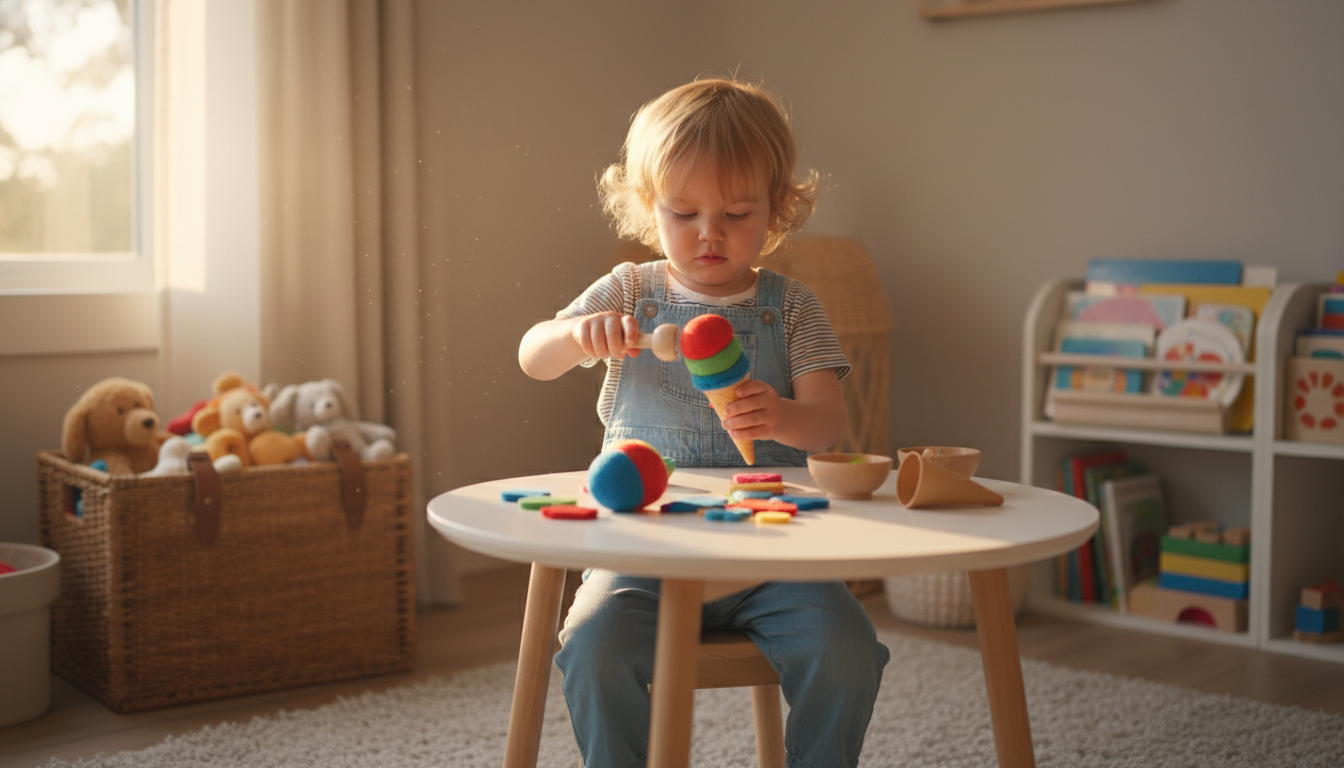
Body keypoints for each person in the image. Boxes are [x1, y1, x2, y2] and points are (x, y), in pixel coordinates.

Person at [518, 76, 889, 768]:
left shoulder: (793, 306)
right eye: (684, 213)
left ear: (777, 210)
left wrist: (781, 413)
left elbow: (829, 424)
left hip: (773, 554)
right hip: (642, 552)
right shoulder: (631, 290)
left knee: (847, 652)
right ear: (649, 208)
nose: (710, 234)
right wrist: (575, 337)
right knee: (592, 651)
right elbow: (531, 356)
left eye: (738, 212)